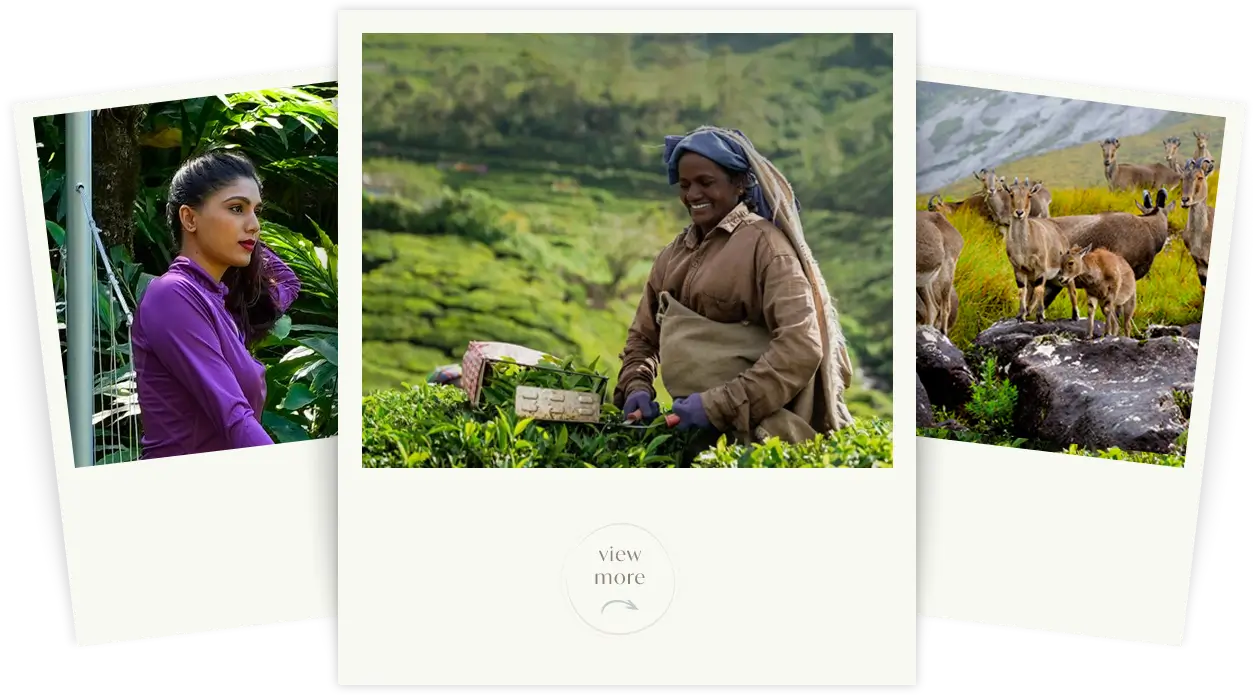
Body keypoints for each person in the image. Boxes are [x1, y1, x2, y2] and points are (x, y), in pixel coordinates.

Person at [614, 125, 856, 460]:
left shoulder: (767, 249)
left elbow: (801, 346)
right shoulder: (672, 256)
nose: (692, 194)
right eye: (684, 185)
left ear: (739, 184)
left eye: (706, 182)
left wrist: (718, 405)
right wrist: (636, 386)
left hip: (757, 438)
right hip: (690, 434)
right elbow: (642, 338)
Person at [131, 151, 302, 459]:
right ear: (189, 218)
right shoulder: (172, 295)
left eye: (256, 211)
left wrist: (241, 232)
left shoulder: (219, 304)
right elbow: (233, 417)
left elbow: (287, 282)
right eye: (236, 208)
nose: (254, 225)